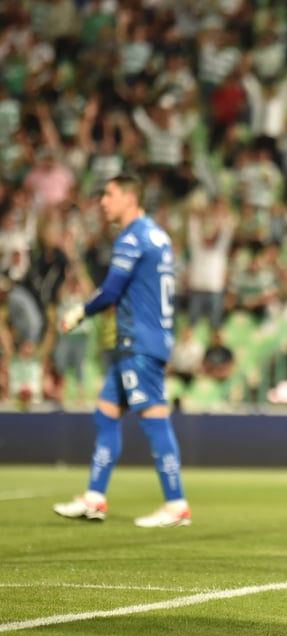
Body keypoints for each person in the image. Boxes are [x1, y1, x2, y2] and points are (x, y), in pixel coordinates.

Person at [53, 173, 191, 528]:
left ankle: (176, 504)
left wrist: (79, 312)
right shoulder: (159, 235)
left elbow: (112, 290)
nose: (102, 202)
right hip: (146, 338)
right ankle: (94, 498)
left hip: (138, 343)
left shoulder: (132, 238)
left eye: (109, 195)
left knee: (154, 421)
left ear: (130, 198)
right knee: (105, 414)